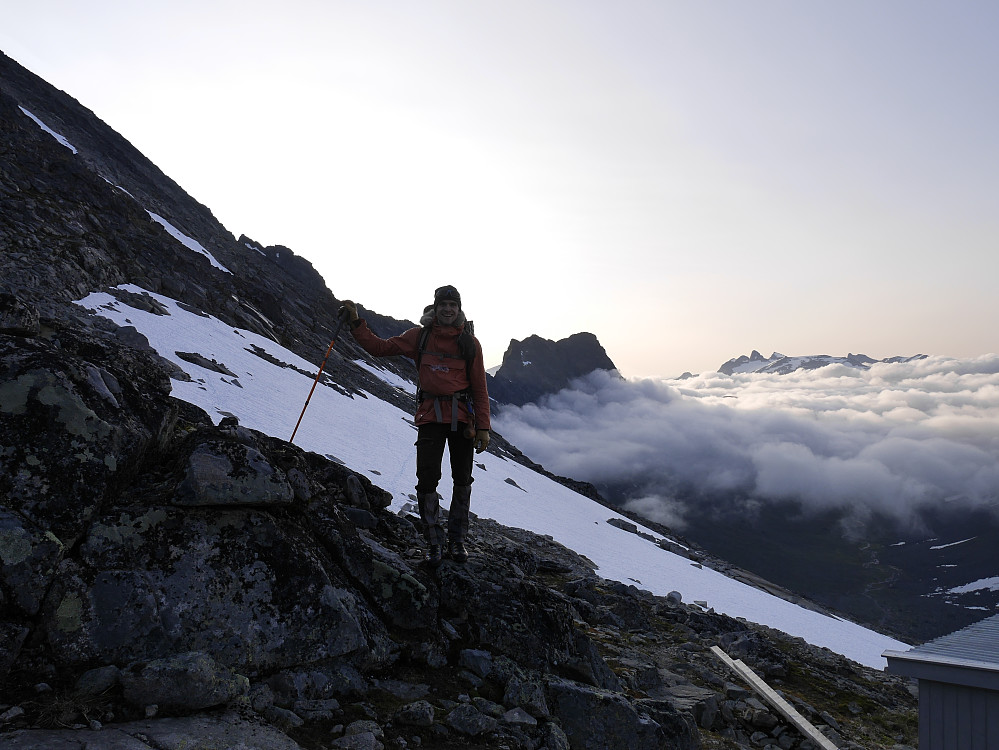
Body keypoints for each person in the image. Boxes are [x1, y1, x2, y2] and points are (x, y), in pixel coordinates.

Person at [339, 286, 490, 567]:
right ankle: (434, 542)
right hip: (431, 418)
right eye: (443, 304)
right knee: (427, 479)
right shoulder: (419, 337)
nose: (448, 309)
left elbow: (480, 387)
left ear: (459, 309)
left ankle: (456, 542)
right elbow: (380, 348)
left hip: (461, 419)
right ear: (435, 307)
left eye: (452, 305)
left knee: (462, 478)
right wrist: (356, 323)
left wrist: (484, 427)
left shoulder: (470, 343)